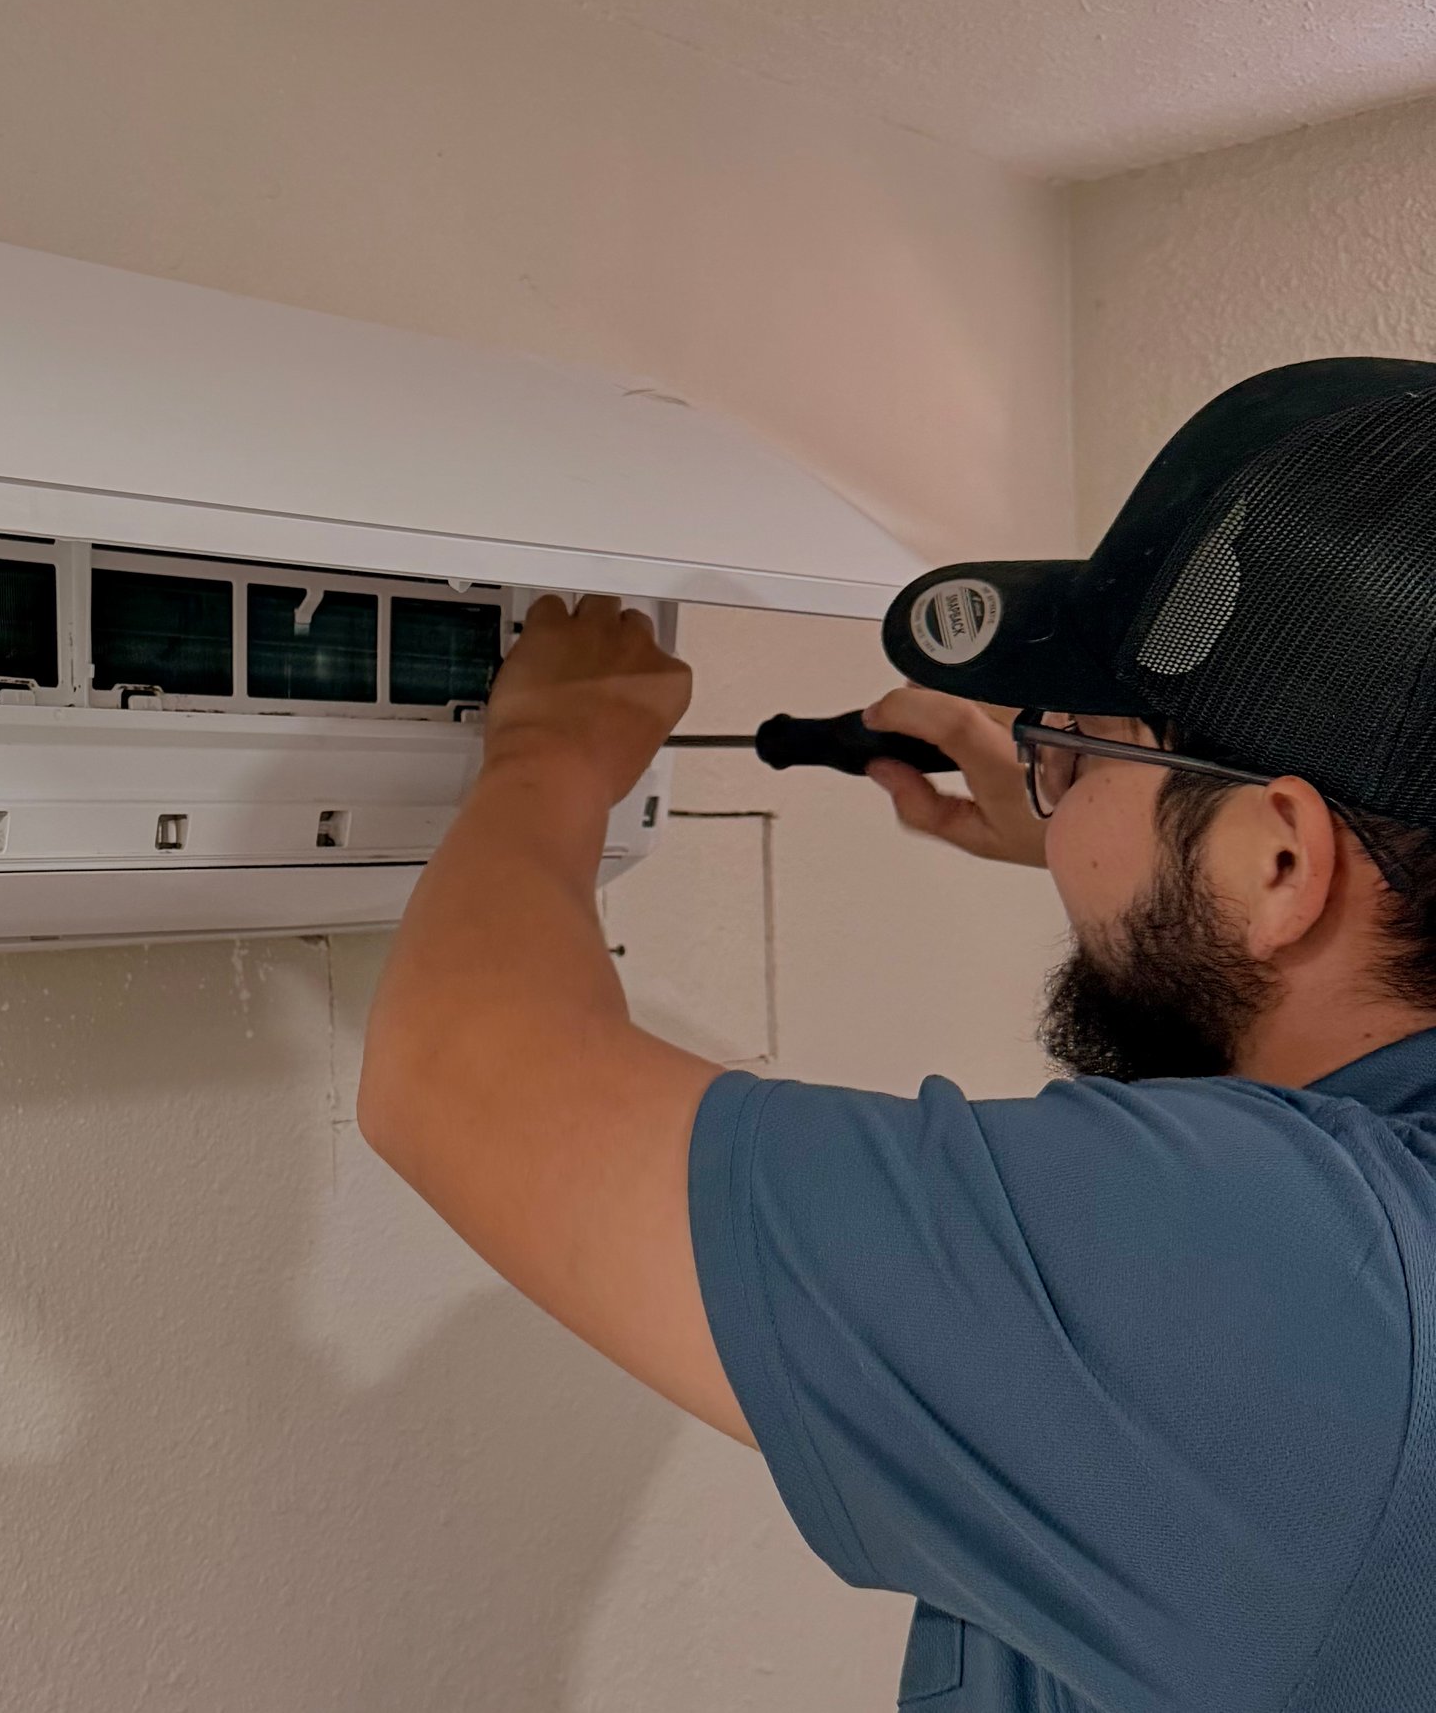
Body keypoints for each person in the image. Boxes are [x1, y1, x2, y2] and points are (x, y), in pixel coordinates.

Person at [359, 358, 1436, 1712]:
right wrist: (1138, 848)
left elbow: (456, 1069)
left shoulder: (1292, 1282)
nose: (1051, 798)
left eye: (1080, 749)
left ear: (1283, 862)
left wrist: (551, 757)